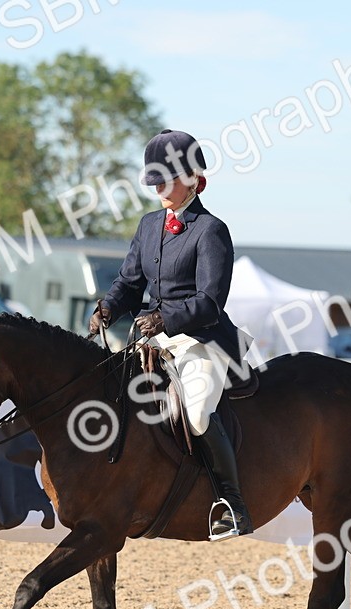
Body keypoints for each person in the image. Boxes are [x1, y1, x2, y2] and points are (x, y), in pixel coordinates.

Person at [90, 129, 253, 541]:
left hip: (201, 340)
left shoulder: (211, 230)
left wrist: (166, 319)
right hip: (152, 339)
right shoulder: (149, 226)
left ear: (196, 180)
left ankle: (231, 504)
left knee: (196, 414)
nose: (159, 187)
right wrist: (108, 307)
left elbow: (211, 300)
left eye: (166, 179)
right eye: (155, 180)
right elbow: (129, 281)